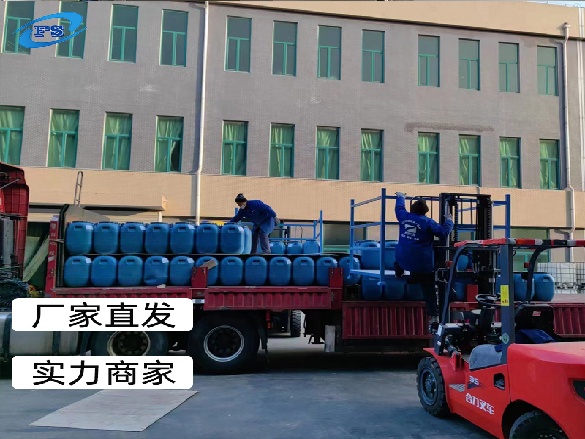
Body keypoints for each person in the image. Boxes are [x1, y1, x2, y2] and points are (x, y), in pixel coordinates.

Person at [393, 192, 454, 333]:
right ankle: (433, 315)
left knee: (401, 255)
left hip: (402, 260)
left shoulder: (404, 217)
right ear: (425, 210)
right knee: (429, 288)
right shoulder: (428, 222)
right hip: (421, 264)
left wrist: (401, 197)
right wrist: (449, 220)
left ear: (413, 208)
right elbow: (443, 232)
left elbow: (399, 208)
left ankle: (399, 273)